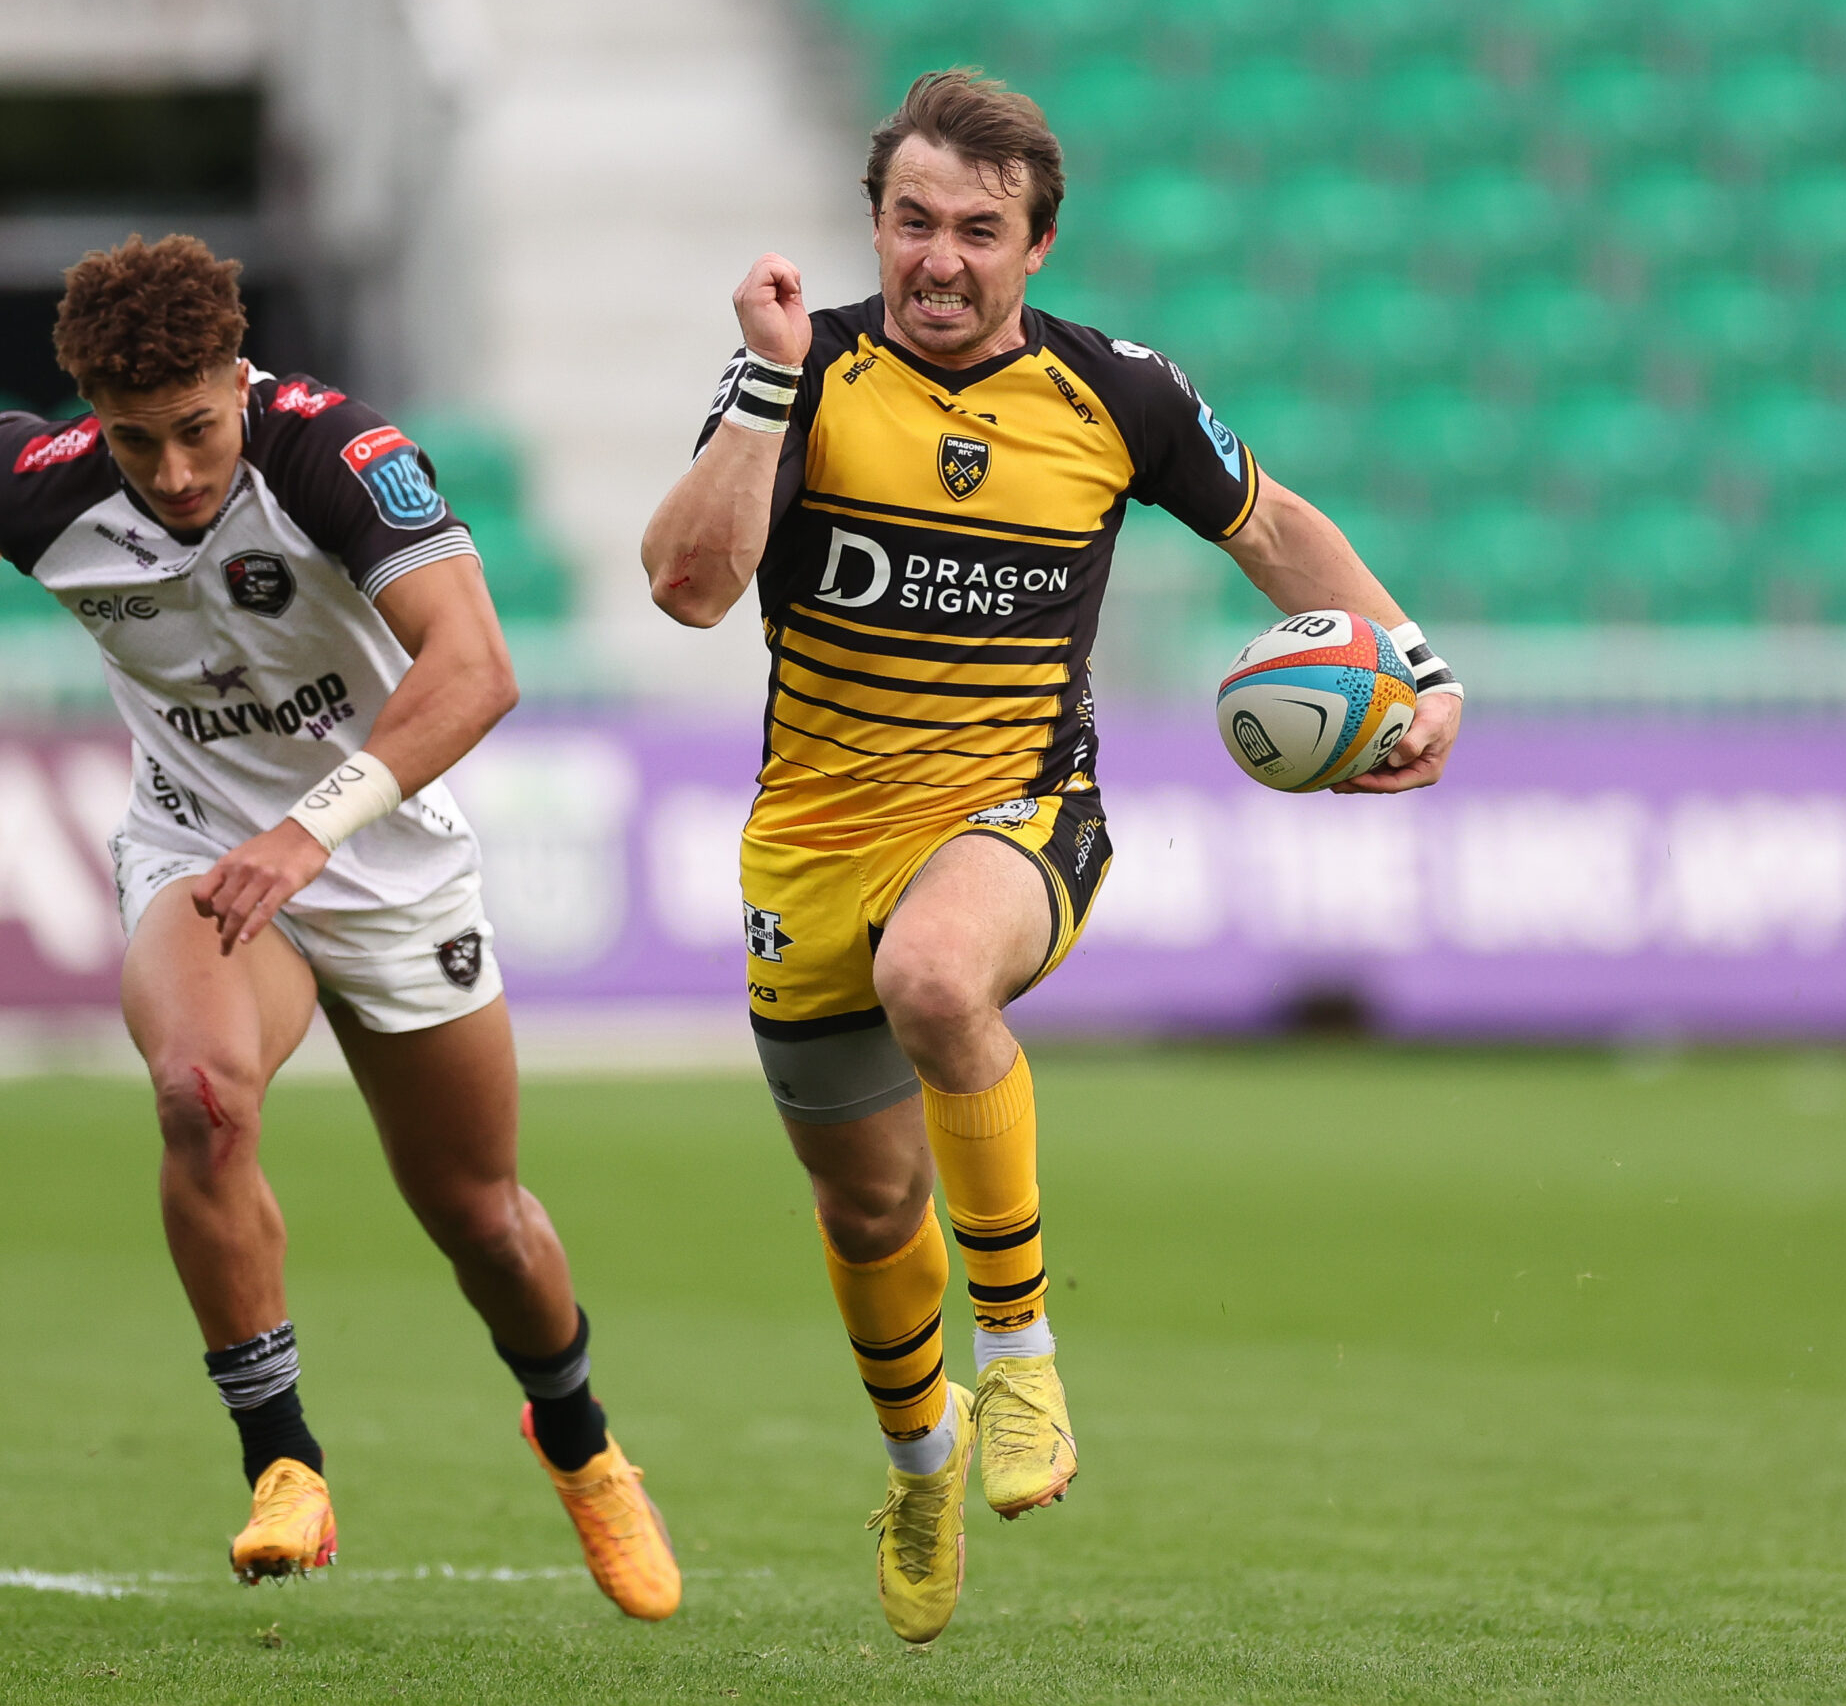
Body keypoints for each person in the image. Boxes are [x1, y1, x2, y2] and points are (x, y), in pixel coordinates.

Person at [639, 71, 1463, 1643]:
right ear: (874, 223)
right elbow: (687, 586)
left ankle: (1019, 1362)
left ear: (1040, 246)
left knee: (938, 976)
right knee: (871, 1210)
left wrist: (1412, 666)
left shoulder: (1119, 394)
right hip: (810, 843)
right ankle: (921, 1455)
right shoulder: (801, 378)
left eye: (977, 231)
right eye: (910, 223)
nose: (938, 259)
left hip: (1018, 814)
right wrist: (759, 385)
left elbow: (1271, 525)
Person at [0, 233, 679, 1620]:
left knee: (480, 1217)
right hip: (204, 856)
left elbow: (477, 667)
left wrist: (311, 831)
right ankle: (282, 1459)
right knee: (199, 1094)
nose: (175, 474)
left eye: (195, 430)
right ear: (90, 418)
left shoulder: (331, 457)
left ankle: (583, 1440)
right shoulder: (43, 481)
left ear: (239, 378)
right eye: (137, 442)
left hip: (388, 864)